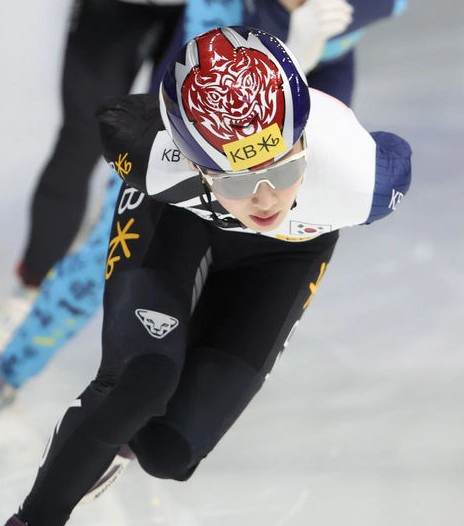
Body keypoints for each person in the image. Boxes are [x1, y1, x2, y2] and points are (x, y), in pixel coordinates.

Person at [4, 25, 411, 526]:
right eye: (240, 180)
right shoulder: (150, 154)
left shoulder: (360, 180)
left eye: (283, 171)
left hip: (285, 256)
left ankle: (123, 434)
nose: (266, 199)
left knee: (169, 452)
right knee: (141, 380)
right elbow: (112, 114)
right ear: (193, 165)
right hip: (182, 220)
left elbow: (397, 151)